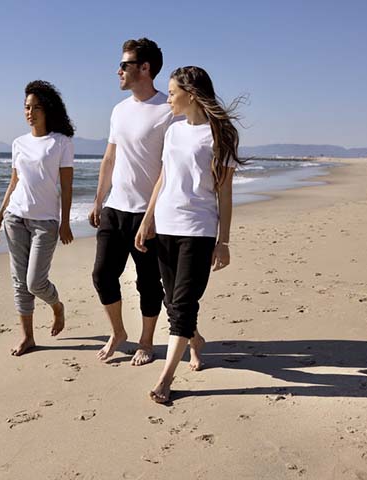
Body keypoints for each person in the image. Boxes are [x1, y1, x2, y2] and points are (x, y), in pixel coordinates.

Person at [134, 66, 245, 403]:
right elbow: (164, 179)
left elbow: (224, 194)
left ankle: (165, 380)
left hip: (198, 229)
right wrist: (146, 219)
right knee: (172, 300)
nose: (167, 98)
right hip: (166, 225)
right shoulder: (173, 131)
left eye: (171, 92)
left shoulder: (221, 134)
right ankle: (194, 341)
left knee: (182, 303)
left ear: (191, 94)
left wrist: (222, 242)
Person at [89, 38, 176, 366]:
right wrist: (99, 200)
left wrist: (152, 215)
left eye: (124, 65)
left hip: (148, 212)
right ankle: (118, 332)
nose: (118, 71)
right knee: (102, 275)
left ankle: (147, 340)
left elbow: (170, 167)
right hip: (116, 207)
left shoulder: (168, 110)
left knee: (147, 282)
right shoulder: (119, 110)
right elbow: (110, 156)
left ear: (145, 68)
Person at [0, 80, 75, 356]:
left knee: (35, 282)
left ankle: (57, 306)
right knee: (19, 282)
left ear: (47, 109)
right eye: (27, 107)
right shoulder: (18, 143)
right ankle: (28, 337)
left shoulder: (61, 143)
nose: (30, 112)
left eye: (36, 107)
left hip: (45, 222)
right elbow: (13, 182)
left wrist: (65, 221)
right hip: (15, 218)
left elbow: (66, 186)